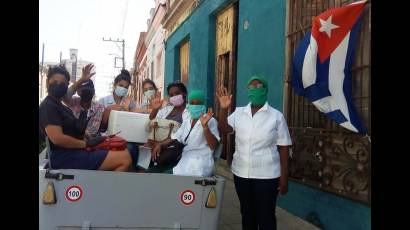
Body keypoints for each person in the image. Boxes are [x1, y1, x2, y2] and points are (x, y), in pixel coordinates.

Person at [217, 75, 292, 230]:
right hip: (241, 173)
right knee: (247, 213)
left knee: (266, 216)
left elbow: (284, 147)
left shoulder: (276, 116)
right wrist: (223, 110)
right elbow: (223, 129)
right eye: (251, 87)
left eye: (259, 86)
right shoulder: (239, 113)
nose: (255, 89)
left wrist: (284, 177)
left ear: (265, 90)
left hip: (267, 175)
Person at [39, 65, 132, 171]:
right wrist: (85, 144)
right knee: (124, 159)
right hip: (65, 156)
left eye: (63, 84)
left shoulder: (60, 105)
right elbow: (58, 139)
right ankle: (106, 187)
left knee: (123, 151)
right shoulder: (49, 106)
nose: (59, 86)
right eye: (55, 82)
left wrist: (88, 138)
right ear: (47, 83)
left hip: (74, 151)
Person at [151, 90, 220, 177]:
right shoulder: (188, 121)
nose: (195, 106)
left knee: (162, 179)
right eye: (192, 103)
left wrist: (205, 127)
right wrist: (160, 144)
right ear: (188, 104)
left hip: (199, 165)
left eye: (198, 103)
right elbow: (175, 137)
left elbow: (213, 146)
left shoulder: (211, 121)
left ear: (203, 105)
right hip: (184, 161)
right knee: (154, 174)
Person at [63, 63, 104, 138]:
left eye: (89, 91)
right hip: (70, 139)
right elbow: (64, 96)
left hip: (85, 142)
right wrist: (81, 80)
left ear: (93, 92)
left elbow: (92, 131)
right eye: (84, 91)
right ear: (78, 92)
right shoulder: (73, 102)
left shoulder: (99, 107)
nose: (87, 94)